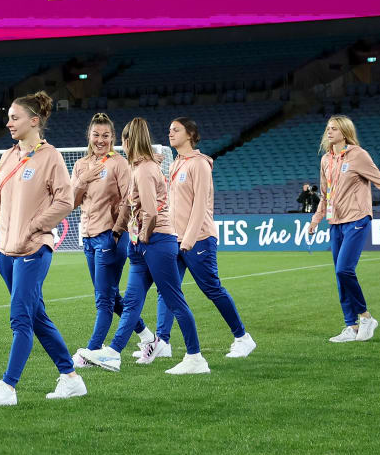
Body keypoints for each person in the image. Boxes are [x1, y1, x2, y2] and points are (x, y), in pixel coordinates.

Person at [0, 92, 86, 407]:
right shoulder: (7, 156)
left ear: (34, 121)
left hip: (35, 248)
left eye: (15, 117)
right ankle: (70, 377)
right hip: (6, 250)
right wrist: (0, 244)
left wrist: (36, 225)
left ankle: (8, 387)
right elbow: (4, 205)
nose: (8, 123)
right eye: (8, 117)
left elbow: (65, 201)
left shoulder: (50, 156)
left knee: (20, 318)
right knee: (36, 316)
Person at [149, 118, 255, 363]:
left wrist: (188, 239)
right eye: (169, 129)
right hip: (174, 238)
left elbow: (201, 206)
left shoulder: (200, 164)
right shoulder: (175, 164)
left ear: (191, 134)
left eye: (176, 129)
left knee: (212, 289)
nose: (170, 133)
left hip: (198, 239)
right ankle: (162, 342)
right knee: (166, 290)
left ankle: (242, 337)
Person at [100, 117, 200, 374]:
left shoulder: (144, 170)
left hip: (155, 241)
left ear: (128, 140)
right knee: (132, 302)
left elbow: (151, 212)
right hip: (145, 243)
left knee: (174, 299)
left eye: (122, 140)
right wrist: (123, 231)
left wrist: (142, 237)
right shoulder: (142, 167)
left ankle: (195, 357)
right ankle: (112, 353)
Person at [309, 115, 380, 344]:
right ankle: (351, 326)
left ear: (345, 132)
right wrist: (316, 219)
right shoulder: (325, 160)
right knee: (340, 276)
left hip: (358, 219)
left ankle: (366, 317)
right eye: (328, 128)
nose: (329, 132)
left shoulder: (358, 155)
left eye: (334, 129)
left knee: (344, 270)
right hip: (335, 222)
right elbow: (325, 194)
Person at [69, 113, 146, 371]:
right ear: (89, 136)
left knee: (103, 300)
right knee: (111, 297)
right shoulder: (81, 165)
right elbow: (73, 201)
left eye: (105, 135)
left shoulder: (118, 164)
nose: (100, 140)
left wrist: (117, 231)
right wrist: (83, 180)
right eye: (96, 135)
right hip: (88, 238)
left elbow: (129, 198)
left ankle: (91, 352)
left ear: (113, 138)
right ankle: (148, 337)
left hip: (111, 236)